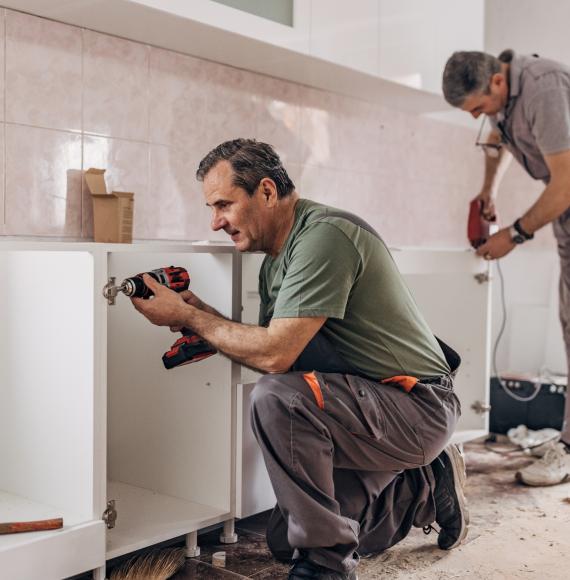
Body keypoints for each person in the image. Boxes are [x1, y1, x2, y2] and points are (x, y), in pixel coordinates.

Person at [131, 139, 468, 579]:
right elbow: (281, 355)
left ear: (267, 192)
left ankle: (328, 568)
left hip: (417, 407)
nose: (216, 222)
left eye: (223, 205)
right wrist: (200, 320)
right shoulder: (276, 262)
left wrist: (190, 316)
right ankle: (425, 486)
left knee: (278, 400)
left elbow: (275, 358)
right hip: (366, 409)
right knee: (284, 539)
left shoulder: (325, 236)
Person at [442, 50, 570, 486]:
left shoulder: (544, 88)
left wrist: (514, 234)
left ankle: (568, 447)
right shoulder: (504, 97)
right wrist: (487, 191)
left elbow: (566, 182)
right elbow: (497, 138)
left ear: (497, 83)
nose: (480, 118)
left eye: (478, 108)